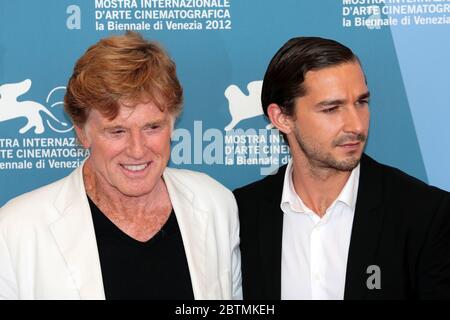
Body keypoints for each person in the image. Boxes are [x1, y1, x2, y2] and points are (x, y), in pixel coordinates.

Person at [0, 31, 242, 300]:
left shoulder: (216, 203)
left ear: (173, 124)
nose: (137, 150)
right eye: (117, 132)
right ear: (82, 132)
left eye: (152, 127)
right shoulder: (17, 228)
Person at [234, 37, 450, 300]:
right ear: (282, 118)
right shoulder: (238, 215)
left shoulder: (424, 213)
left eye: (361, 102)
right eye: (331, 108)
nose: (356, 126)